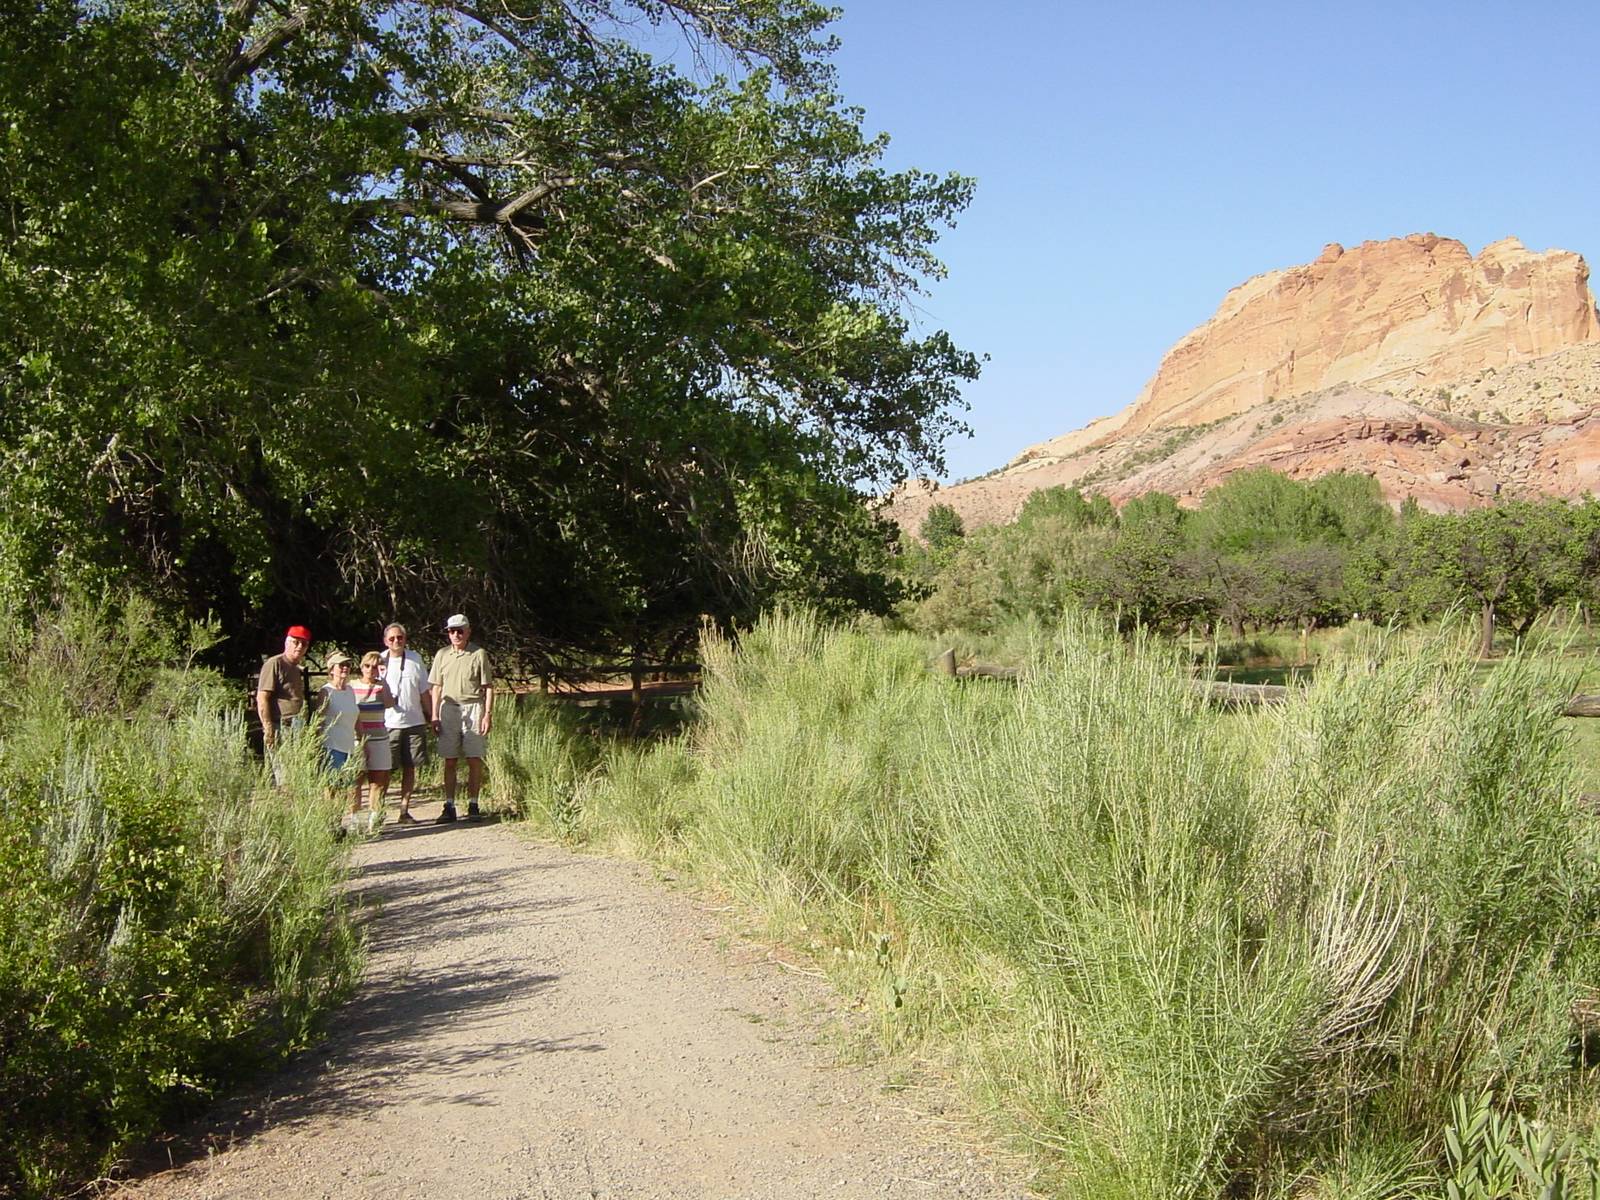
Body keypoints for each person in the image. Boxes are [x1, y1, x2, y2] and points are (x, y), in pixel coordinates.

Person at [429, 613, 493, 822]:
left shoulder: (478, 654)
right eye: (451, 631)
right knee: (450, 759)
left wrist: (487, 715)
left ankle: (473, 804)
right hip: (449, 708)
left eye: (459, 631)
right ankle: (449, 805)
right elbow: (436, 687)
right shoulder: (442, 654)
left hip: (473, 707)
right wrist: (434, 714)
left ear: (468, 631)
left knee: (474, 758)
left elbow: (488, 687)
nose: (455, 635)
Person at [377, 623, 432, 824]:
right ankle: (378, 811)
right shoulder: (379, 660)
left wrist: (432, 715)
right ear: (385, 641)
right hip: (388, 723)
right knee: (385, 769)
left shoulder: (415, 659)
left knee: (411, 767)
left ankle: (404, 810)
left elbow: (424, 691)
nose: (396, 641)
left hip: (414, 721)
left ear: (405, 638)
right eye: (392, 639)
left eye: (400, 637)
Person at [257, 624, 312, 785]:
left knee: (297, 769)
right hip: (281, 724)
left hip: (297, 724)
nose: (299, 647)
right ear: (287, 643)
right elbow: (262, 697)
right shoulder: (275, 663)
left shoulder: (295, 668)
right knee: (284, 772)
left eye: (304, 644)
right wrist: (267, 726)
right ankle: (287, 804)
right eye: (296, 642)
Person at [351, 651, 397, 819]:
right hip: (357, 738)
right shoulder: (352, 685)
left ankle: (374, 817)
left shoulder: (382, 686)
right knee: (356, 780)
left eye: (375, 667)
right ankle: (354, 818)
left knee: (378, 780)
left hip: (379, 737)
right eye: (367, 666)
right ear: (362, 667)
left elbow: (390, 703)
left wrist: (383, 680)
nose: (371, 670)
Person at [318, 651, 361, 809]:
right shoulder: (326, 692)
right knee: (332, 786)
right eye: (341, 665)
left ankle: (339, 821)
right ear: (331, 670)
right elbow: (318, 720)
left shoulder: (350, 691)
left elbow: (356, 718)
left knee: (347, 786)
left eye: (347, 665)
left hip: (348, 745)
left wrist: (361, 742)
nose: (345, 668)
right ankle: (330, 822)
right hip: (331, 745)